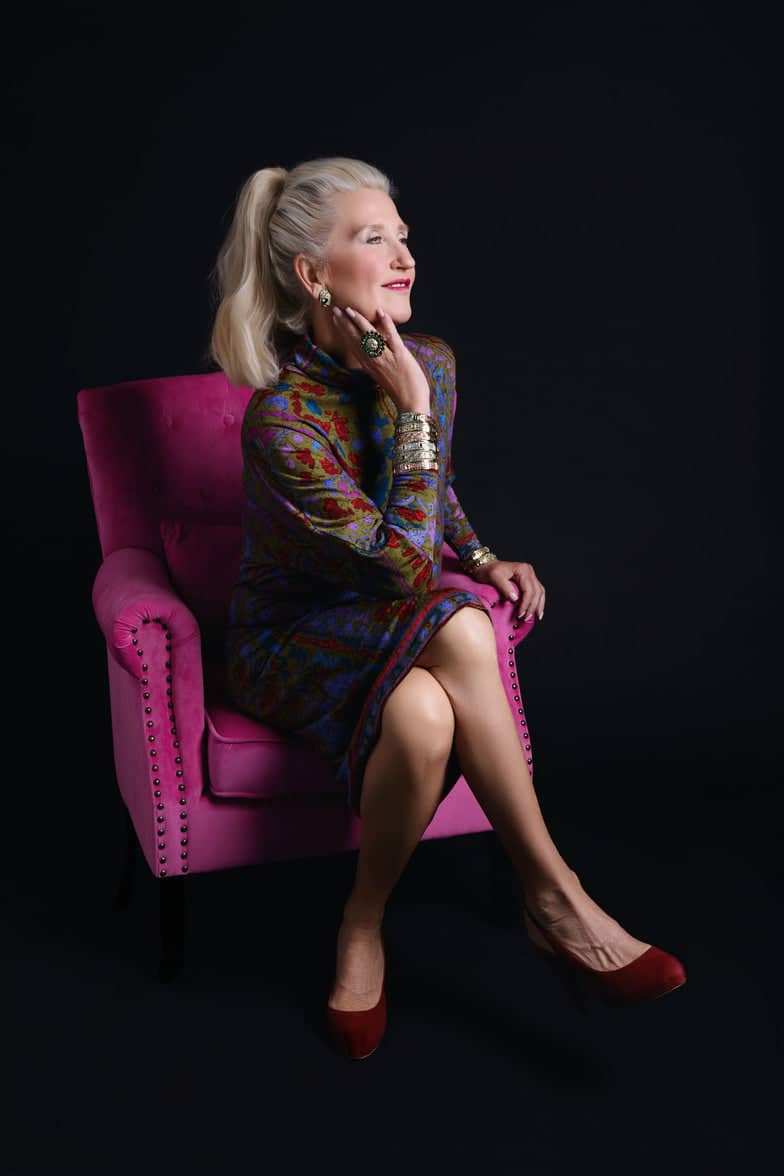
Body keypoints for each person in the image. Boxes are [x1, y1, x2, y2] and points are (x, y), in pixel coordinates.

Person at [209, 156, 686, 1060]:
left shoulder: (430, 362)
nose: (405, 256)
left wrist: (479, 555)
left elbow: (436, 502)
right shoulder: (282, 419)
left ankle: (361, 923)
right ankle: (554, 894)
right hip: (292, 644)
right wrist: (415, 410)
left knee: (426, 714)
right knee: (458, 623)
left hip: (392, 632)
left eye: (404, 235)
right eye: (373, 237)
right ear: (313, 275)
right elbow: (394, 570)